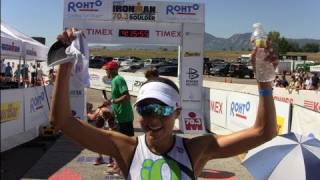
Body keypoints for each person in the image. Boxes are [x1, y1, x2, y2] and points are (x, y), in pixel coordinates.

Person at [50, 28, 278, 179]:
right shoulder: (127, 148)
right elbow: (62, 121)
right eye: (146, 109)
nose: (154, 119)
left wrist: (265, 82)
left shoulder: (196, 149)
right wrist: (65, 62)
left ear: (177, 112)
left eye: (162, 109)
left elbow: (263, 132)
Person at [87, 100, 115, 165]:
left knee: (99, 143)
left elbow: (92, 117)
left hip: (101, 129)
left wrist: (87, 112)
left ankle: (101, 158)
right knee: (110, 143)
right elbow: (113, 121)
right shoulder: (112, 108)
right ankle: (110, 160)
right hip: (109, 129)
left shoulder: (99, 109)